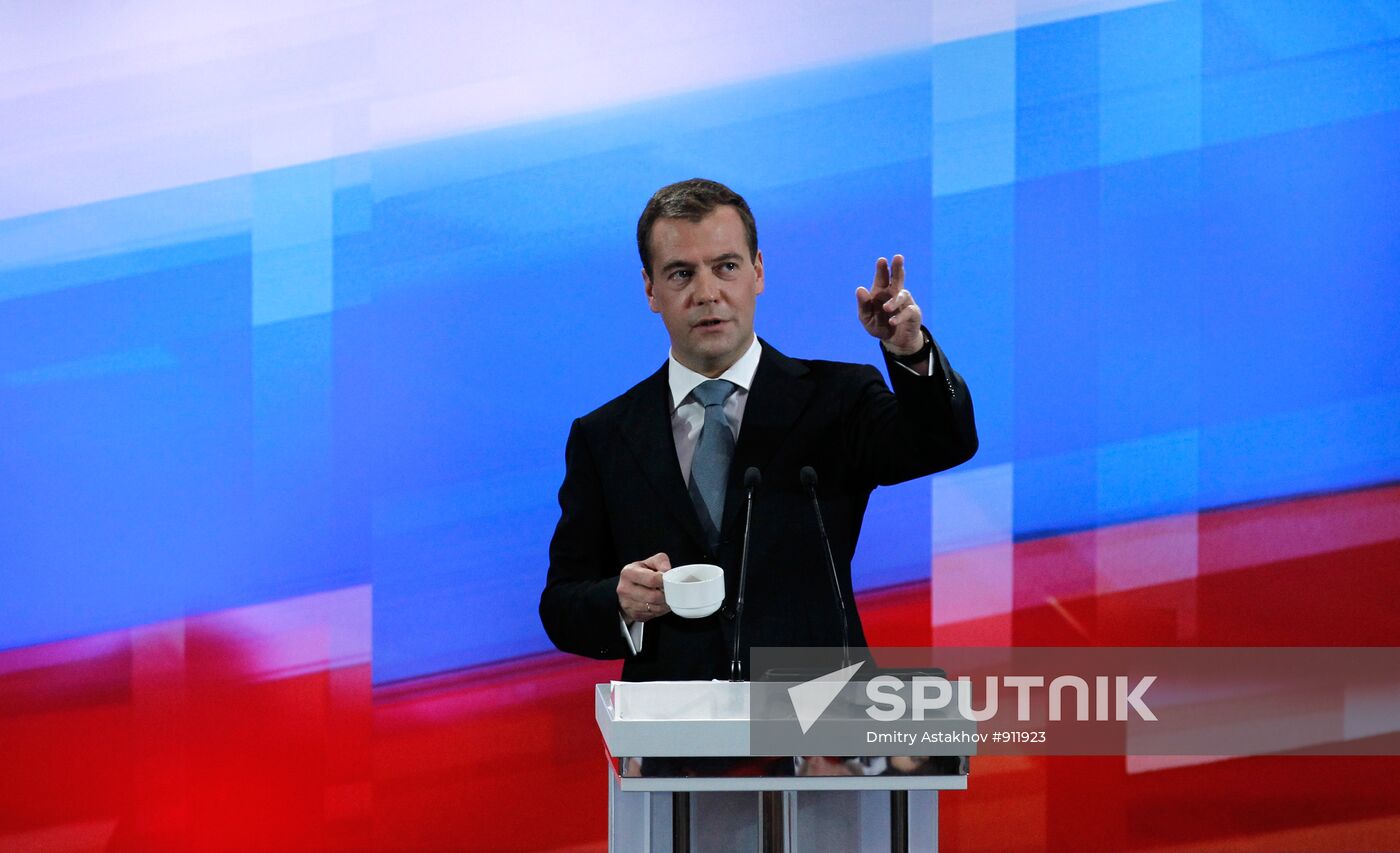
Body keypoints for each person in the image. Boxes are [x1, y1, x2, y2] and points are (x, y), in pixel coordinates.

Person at [538, 178, 977, 681]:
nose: (707, 293)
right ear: (650, 289)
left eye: (726, 266)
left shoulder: (837, 398)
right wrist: (619, 600)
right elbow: (561, 604)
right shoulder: (604, 436)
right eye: (681, 273)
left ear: (758, 272)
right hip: (675, 740)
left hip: (821, 731)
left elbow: (946, 442)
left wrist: (910, 352)